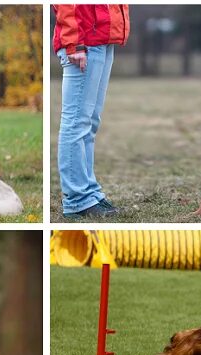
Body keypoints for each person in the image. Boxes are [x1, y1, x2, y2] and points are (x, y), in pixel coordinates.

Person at [53, 5, 129, 219]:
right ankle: (77, 199)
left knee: (89, 123)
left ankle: (89, 192)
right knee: (76, 123)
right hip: (83, 39)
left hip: (102, 38)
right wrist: (73, 41)